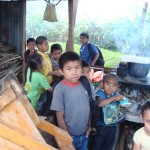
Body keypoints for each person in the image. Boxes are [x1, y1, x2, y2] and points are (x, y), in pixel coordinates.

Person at [51, 51, 95, 150]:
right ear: (61, 71)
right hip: (69, 136)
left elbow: (90, 105)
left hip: (85, 134)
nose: (74, 72)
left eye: (77, 67)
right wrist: (67, 138)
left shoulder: (85, 83)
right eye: (69, 68)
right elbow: (59, 117)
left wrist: (90, 126)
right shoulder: (59, 89)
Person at [92, 74, 124, 150]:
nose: (110, 87)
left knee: (108, 146)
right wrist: (114, 98)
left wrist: (123, 102)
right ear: (103, 84)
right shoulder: (100, 94)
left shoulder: (116, 94)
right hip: (101, 127)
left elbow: (122, 105)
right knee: (97, 146)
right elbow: (100, 104)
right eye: (108, 84)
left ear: (117, 87)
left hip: (112, 127)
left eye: (113, 85)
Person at [35, 36, 61, 115]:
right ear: (39, 46)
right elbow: (42, 70)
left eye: (48, 44)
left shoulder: (46, 55)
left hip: (47, 83)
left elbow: (48, 66)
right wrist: (54, 73)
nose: (48, 46)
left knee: (44, 100)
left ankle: (42, 114)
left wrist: (54, 69)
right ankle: (36, 115)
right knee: (40, 101)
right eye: (46, 44)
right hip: (41, 85)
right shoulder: (38, 57)